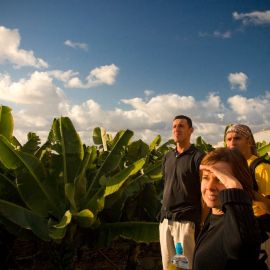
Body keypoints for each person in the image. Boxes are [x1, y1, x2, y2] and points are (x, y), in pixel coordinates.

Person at [193, 148, 261, 270]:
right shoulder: (211, 218)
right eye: (206, 177)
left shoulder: (240, 226)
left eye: (220, 179)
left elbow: (241, 249)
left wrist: (235, 189)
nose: (210, 186)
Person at [159, 115, 205, 270]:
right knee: (168, 266)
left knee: (184, 267)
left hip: (185, 223)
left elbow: (204, 192)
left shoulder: (198, 157)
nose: (176, 129)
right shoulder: (168, 156)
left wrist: (202, 220)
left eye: (181, 126)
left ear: (190, 130)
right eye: (174, 126)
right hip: (166, 221)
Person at [225, 124, 270, 268]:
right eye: (229, 139)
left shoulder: (261, 167)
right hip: (235, 231)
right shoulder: (228, 167)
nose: (232, 143)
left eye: (237, 138)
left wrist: (247, 190)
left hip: (260, 231)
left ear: (249, 141)